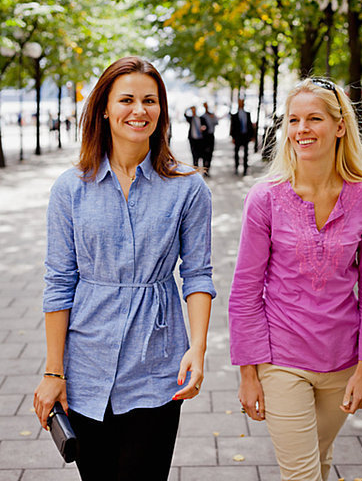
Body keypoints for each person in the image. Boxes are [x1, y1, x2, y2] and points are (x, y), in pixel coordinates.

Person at [34, 56, 216, 481]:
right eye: (127, 99)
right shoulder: (70, 189)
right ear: (104, 108)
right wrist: (52, 371)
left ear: (162, 110)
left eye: (150, 100)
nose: (139, 110)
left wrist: (199, 348)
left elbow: (198, 274)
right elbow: (59, 282)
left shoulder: (189, 188)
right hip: (85, 367)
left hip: (158, 364)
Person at [229, 78, 362, 481]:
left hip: (342, 361)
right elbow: (245, 291)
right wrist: (248, 372)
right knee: (302, 474)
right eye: (294, 120)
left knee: (318, 461)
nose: (301, 129)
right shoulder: (265, 197)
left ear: (339, 126)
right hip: (281, 357)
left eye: (313, 119)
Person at [230, 98, 255, 175]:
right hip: (237, 137)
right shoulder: (234, 115)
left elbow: (250, 125)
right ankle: (236, 168)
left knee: (246, 153)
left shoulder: (247, 114)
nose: (241, 104)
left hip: (245, 136)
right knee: (236, 153)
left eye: (242, 102)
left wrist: (252, 136)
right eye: (240, 102)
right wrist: (232, 137)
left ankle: (245, 169)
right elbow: (232, 126)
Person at [200, 102, 218, 176]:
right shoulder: (202, 117)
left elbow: (216, 122)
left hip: (211, 136)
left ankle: (208, 169)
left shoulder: (212, 115)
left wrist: (213, 117)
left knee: (210, 153)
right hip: (205, 137)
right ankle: (205, 169)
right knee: (204, 153)